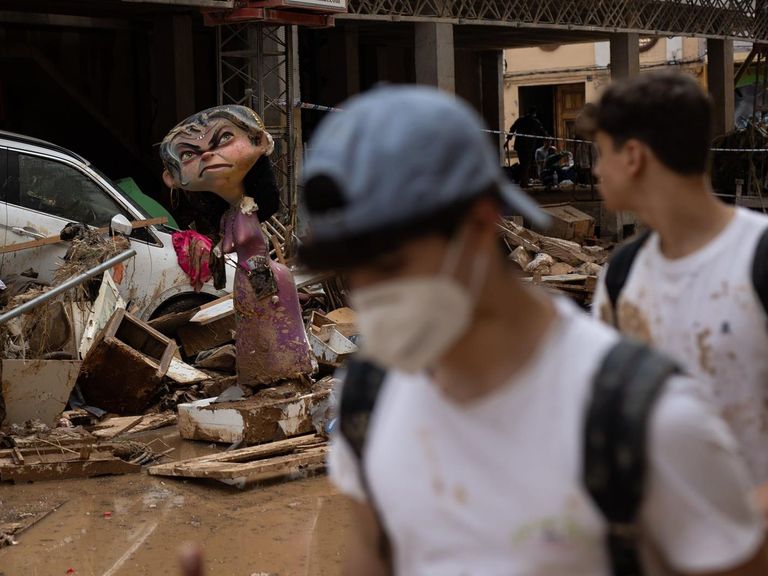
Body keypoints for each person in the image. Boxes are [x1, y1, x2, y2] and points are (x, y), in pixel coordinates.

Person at [296, 86, 767, 575]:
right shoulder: (367, 401)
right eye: (350, 269)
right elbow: (373, 555)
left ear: (479, 226)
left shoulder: (649, 421)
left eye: (391, 263)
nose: (368, 292)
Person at [582, 71, 768, 517]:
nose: (595, 170)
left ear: (633, 157)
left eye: (601, 153)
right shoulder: (621, 276)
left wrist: (740, 531)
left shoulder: (757, 259)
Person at [160, 105, 316, 388]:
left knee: (269, 316)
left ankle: (279, 367)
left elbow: (244, 240)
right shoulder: (233, 212)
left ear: (260, 142)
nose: (206, 155)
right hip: (249, 271)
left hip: (257, 269)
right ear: (171, 177)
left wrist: (220, 249)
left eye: (223, 140)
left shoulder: (246, 211)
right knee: (255, 319)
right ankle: (262, 368)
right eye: (187, 154)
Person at [507, 106, 549, 187]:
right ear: (534, 114)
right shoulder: (534, 121)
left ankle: (523, 181)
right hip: (528, 146)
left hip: (519, 145)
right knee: (526, 164)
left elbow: (512, 129)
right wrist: (547, 136)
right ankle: (524, 183)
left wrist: (508, 140)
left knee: (522, 163)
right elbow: (541, 130)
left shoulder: (520, 120)